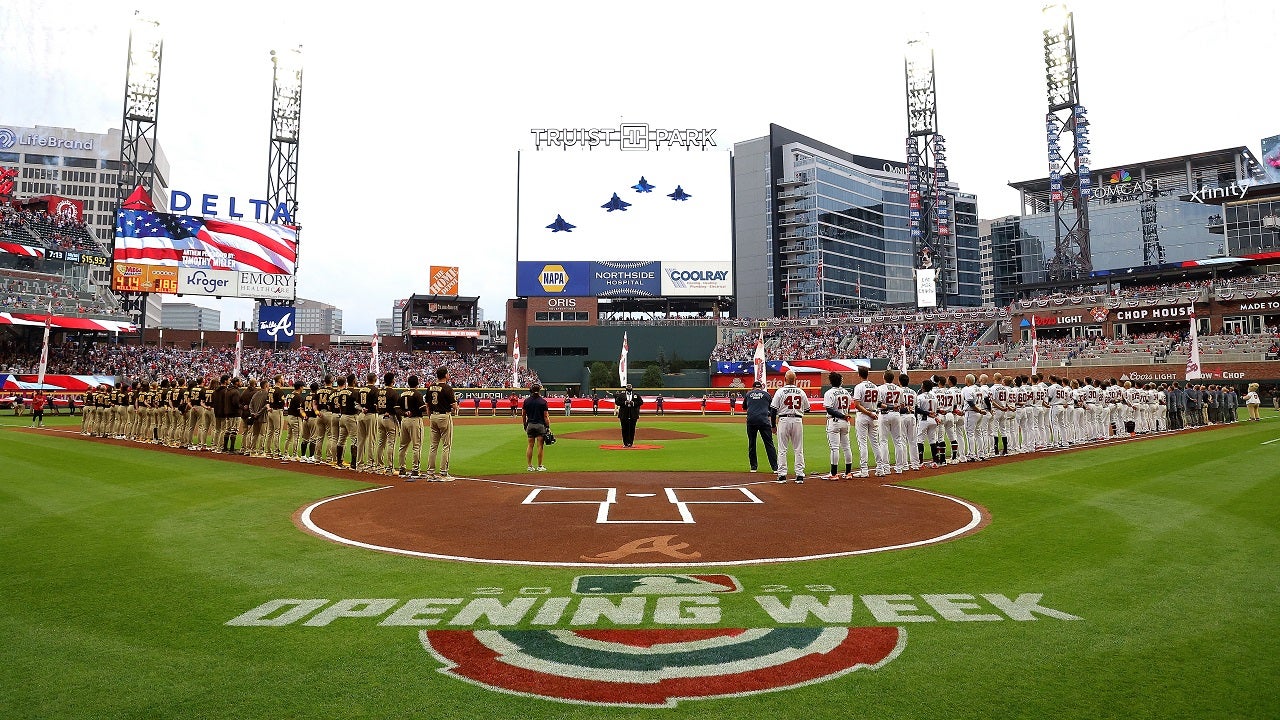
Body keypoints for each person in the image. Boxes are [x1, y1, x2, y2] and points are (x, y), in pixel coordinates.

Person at [770, 370, 810, 483]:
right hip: (797, 420)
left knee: (782, 449)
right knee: (798, 448)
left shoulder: (780, 391)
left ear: (784, 379)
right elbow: (808, 409)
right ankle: (800, 475)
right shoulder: (801, 392)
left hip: (783, 420)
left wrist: (773, 425)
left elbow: (773, 410)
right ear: (795, 379)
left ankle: (782, 475)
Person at [424, 365, 457, 481]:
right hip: (444, 416)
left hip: (433, 416)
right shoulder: (447, 388)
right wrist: (457, 406)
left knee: (433, 446)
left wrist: (430, 417)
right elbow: (454, 406)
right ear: (446, 375)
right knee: (446, 445)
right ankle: (443, 473)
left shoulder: (430, 387)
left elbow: (427, 405)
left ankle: (430, 473)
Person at [850, 365, 882, 477]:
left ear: (859, 375)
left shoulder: (859, 387)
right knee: (875, 443)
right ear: (867, 374)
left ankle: (864, 470)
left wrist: (868, 413)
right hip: (874, 414)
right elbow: (878, 403)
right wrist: (873, 413)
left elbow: (857, 405)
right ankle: (880, 468)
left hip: (863, 415)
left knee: (862, 443)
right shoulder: (875, 387)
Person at [822, 372, 854, 479]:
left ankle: (834, 474)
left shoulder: (829, 393)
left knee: (835, 448)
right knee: (846, 447)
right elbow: (849, 407)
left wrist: (842, 415)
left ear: (830, 381)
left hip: (835, 421)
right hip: (845, 422)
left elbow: (829, 409)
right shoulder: (846, 392)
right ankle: (848, 473)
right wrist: (845, 415)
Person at [742, 380, 778, 474]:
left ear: (753, 387)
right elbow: (771, 408)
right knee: (769, 444)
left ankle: (753, 467)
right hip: (764, 421)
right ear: (761, 387)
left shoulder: (748, 394)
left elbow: (744, 407)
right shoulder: (766, 395)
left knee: (752, 443)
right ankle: (775, 467)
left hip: (751, 421)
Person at [396, 375, 425, 479]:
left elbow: (397, 409)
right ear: (417, 383)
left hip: (404, 421)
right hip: (415, 420)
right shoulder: (417, 394)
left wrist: (404, 412)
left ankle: (401, 469)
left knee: (403, 446)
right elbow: (422, 409)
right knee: (416, 446)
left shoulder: (402, 393)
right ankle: (415, 470)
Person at [522, 383, 550, 472]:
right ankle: (539, 466)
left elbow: (523, 414)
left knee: (530, 445)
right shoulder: (543, 402)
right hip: (540, 425)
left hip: (530, 424)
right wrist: (548, 427)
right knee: (540, 446)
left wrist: (525, 424)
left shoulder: (527, 401)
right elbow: (545, 416)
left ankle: (530, 466)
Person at [614, 383, 644, 448]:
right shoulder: (621, 395)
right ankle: (625, 443)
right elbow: (617, 402)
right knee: (624, 429)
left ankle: (630, 443)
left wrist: (633, 403)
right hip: (623, 414)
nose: (629, 388)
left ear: (632, 388)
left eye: (630, 387)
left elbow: (641, 402)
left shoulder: (636, 395)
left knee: (632, 429)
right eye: (628, 387)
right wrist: (625, 403)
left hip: (633, 414)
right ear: (626, 388)